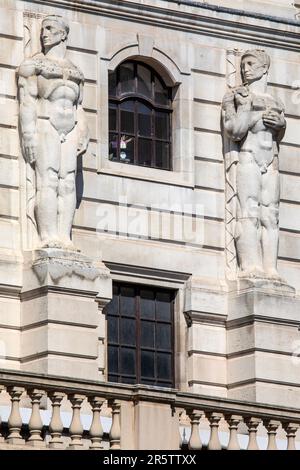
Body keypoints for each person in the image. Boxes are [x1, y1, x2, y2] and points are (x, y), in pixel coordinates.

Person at [18, 15, 89, 250]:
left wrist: (84, 130)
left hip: (70, 129)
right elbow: (27, 101)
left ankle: (64, 237)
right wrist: (28, 135)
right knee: (48, 180)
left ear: (63, 34)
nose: (44, 33)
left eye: (50, 29)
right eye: (43, 29)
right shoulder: (33, 66)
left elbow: (80, 106)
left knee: (67, 182)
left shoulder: (75, 70)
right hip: (45, 125)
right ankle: (48, 236)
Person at [222, 49, 286, 279]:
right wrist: (250, 110)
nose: (245, 69)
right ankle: (251, 265)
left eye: (250, 64)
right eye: (242, 65)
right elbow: (235, 131)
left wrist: (280, 124)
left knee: (271, 215)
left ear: (264, 68)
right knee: (249, 210)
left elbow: (279, 133)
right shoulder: (235, 96)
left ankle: (271, 268)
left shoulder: (275, 101)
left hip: (271, 161)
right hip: (248, 156)